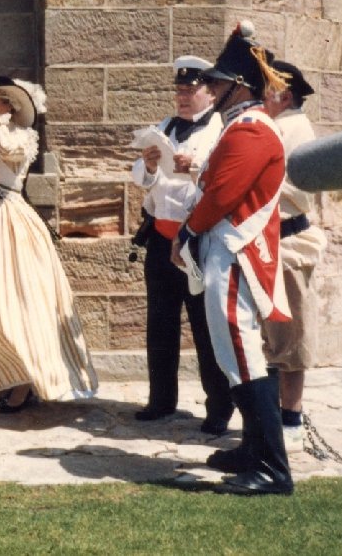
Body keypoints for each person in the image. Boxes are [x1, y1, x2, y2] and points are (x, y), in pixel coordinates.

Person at [172, 20, 294, 495]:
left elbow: (221, 192)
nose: (210, 88)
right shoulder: (241, 126)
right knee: (232, 356)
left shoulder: (251, 130)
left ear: (238, 86)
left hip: (235, 250)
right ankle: (254, 449)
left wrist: (188, 231)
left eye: (218, 82)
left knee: (241, 355)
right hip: (225, 248)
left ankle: (272, 468)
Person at [0, 77, 97, 410]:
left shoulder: (22, 138)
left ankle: (26, 381)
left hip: (8, 222)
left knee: (7, 303)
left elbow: (9, 152)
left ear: (9, 106)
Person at [130, 56, 233, 434]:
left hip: (198, 241)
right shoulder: (165, 126)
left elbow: (223, 181)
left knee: (206, 328)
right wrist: (151, 164)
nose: (183, 97)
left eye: (191, 91)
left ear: (210, 92)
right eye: (179, 91)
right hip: (161, 237)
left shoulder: (221, 130)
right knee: (160, 323)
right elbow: (141, 181)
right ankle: (161, 401)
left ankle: (219, 408)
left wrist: (195, 167)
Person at [262, 60, 327, 452]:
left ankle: (290, 419)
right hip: (268, 243)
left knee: (291, 338)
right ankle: (273, 417)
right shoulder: (277, 125)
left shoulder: (292, 129)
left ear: (284, 95)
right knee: (270, 339)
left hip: (288, 244)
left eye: (264, 88)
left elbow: (284, 186)